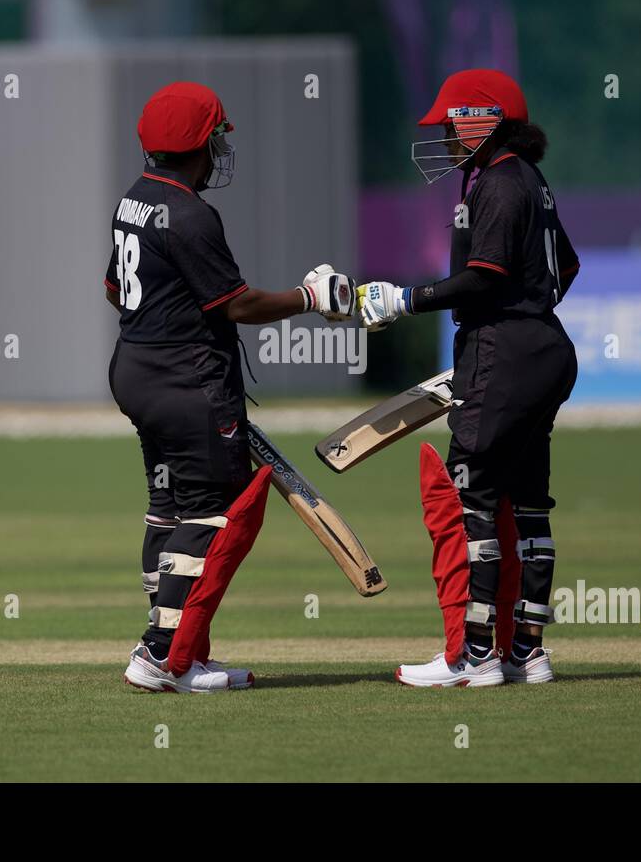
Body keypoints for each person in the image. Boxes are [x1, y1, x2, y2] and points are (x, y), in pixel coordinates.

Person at [106, 81, 354, 692]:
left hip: (136, 371)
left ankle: (185, 651)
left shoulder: (133, 200)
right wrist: (310, 298)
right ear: (198, 143)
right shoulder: (191, 214)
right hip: (188, 381)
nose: (220, 148)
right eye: (216, 136)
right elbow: (238, 305)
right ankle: (160, 654)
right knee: (215, 515)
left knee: (168, 508)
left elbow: (115, 288)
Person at [357, 69, 580, 687]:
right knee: (529, 501)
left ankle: (474, 657)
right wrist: (530, 314)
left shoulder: (500, 184)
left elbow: (485, 275)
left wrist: (405, 299)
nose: (445, 136)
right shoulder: (525, 180)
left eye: (452, 123)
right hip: (542, 352)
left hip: (504, 350)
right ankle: (527, 653)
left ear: (483, 121)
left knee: (470, 498)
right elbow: (568, 265)